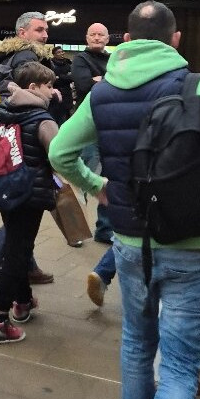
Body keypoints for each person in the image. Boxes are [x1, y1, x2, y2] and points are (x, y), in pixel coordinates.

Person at [49, 1, 200, 399]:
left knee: (135, 341)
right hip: (194, 242)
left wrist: (98, 186)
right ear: (176, 39)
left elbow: (60, 152)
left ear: (126, 41)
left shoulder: (103, 92)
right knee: (181, 368)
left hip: (129, 241)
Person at [0, 11, 54, 294]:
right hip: (22, 151)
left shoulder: (3, 57)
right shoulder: (27, 58)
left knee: (16, 212)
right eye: (39, 30)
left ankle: (27, 267)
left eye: (45, 30)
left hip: (2, 143)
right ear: (22, 33)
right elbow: (27, 106)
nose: (45, 35)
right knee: (21, 219)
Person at [0, 62, 59, 344]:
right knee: (16, 252)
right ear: (33, 88)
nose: (53, 92)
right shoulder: (42, 119)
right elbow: (58, 154)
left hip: (6, 189)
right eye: (49, 86)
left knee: (19, 245)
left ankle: (23, 300)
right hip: (31, 193)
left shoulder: (3, 111)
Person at [70, 22, 113, 244]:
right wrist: (108, 80)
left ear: (107, 38)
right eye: (93, 34)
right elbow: (84, 84)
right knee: (82, 177)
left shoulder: (113, 60)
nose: (97, 38)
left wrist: (100, 81)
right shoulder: (80, 59)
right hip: (88, 127)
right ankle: (76, 230)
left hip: (111, 126)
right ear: (87, 38)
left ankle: (105, 230)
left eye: (101, 35)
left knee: (111, 178)